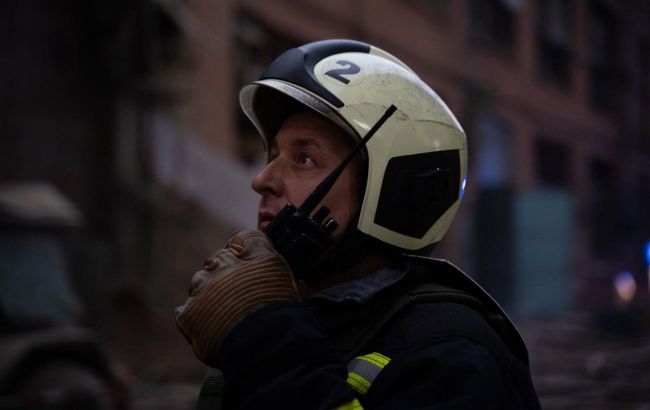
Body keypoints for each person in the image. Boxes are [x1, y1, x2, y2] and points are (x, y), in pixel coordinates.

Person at [175, 39, 541, 409]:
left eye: (304, 158)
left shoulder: (454, 359)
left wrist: (270, 342)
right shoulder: (283, 313)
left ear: (393, 192)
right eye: (272, 155)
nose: (261, 179)